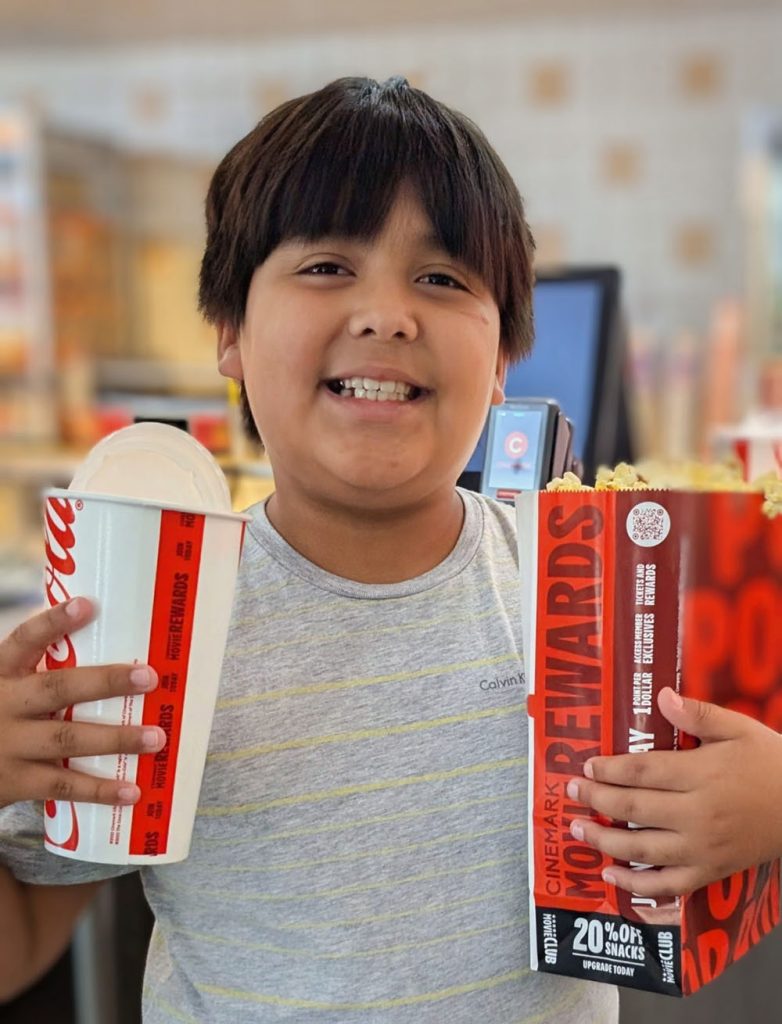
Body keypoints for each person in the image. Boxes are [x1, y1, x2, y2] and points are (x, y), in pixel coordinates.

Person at [0, 75, 780, 1024]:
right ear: (231, 331)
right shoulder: (155, 618)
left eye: (442, 279)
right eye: (328, 265)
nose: (388, 315)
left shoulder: (593, 590)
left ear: (504, 359)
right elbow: (20, 947)